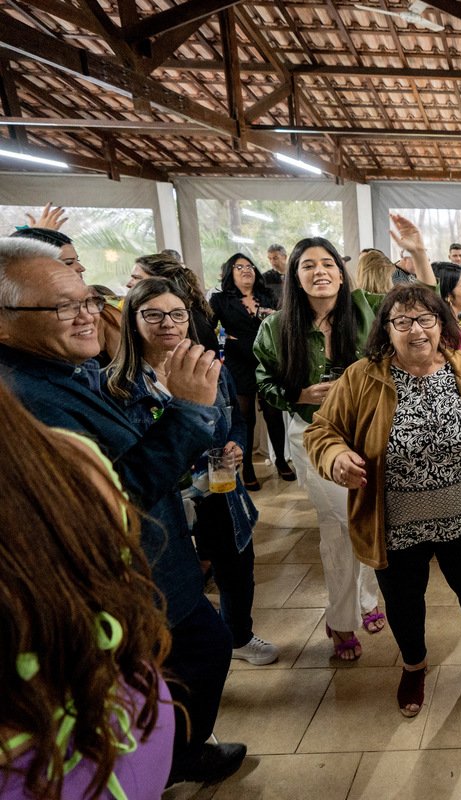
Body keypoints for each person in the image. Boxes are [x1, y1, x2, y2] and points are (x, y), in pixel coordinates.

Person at [0, 237, 246, 785]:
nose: (87, 316)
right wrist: (185, 413)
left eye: (88, 299)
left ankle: (176, 754)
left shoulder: (63, 372)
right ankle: (165, 764)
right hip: (129, 578)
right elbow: (112, 497)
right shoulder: (27, 400)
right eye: (64, 306)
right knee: (193, 659)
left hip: (156, 565)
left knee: (197, 656)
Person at [303, 284, 461, 717]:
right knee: (403, 603)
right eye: (402, 321)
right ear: (387, 329)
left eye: (425, 319)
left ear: (442, 324)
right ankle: (414, 665)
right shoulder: (363, 376)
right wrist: (335, 456)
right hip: (395, 523)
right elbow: (321, 432)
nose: (415, 330)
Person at [0, 383, 176, 800]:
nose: (86, 316)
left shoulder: (71, 459)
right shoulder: (71, 456)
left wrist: (187, 414)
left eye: (94, 309)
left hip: (64, 749)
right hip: (124, 703)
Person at [254, 231, 411, 661]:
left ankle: (367, 599)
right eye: (308, 266)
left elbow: (420, 307)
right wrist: (299, 395)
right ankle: (342, 619)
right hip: (312, 437)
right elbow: (263, 379)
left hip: (370, 433)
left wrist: (417, 254)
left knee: (371, 516)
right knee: (342, 525)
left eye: (327, 264)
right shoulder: (274, 326)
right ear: (295, 277)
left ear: (342, 276)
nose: (320, 272)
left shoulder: (365, 309)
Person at [104, 278, 277, 668]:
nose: (168, 323)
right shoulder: (116, 386)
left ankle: (238, 636)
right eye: (154, 314)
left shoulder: (209, 367)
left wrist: (234, 443)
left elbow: (236, 419)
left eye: (177, 314)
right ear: (132, 321)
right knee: (176, 583)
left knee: (235, 569)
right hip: (163, 502)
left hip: (218, 489)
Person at [209, 253, 293, 488]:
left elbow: (284, 324)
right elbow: (208, 331)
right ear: (229, 272)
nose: (246, 270)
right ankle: (247, 467)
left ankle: (281, 461)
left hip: (269, 361)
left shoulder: (268, 296)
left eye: (250, 266)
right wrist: (226, 342)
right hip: (238, 363)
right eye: (239, 267)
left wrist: (275, 316)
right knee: (245, 418)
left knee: (274, 415)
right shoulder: (220, 300)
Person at [126, 253, 220, 353]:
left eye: (136, 278)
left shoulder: (191, 319)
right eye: (153, 315)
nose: (128, 284)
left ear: (161, 282)